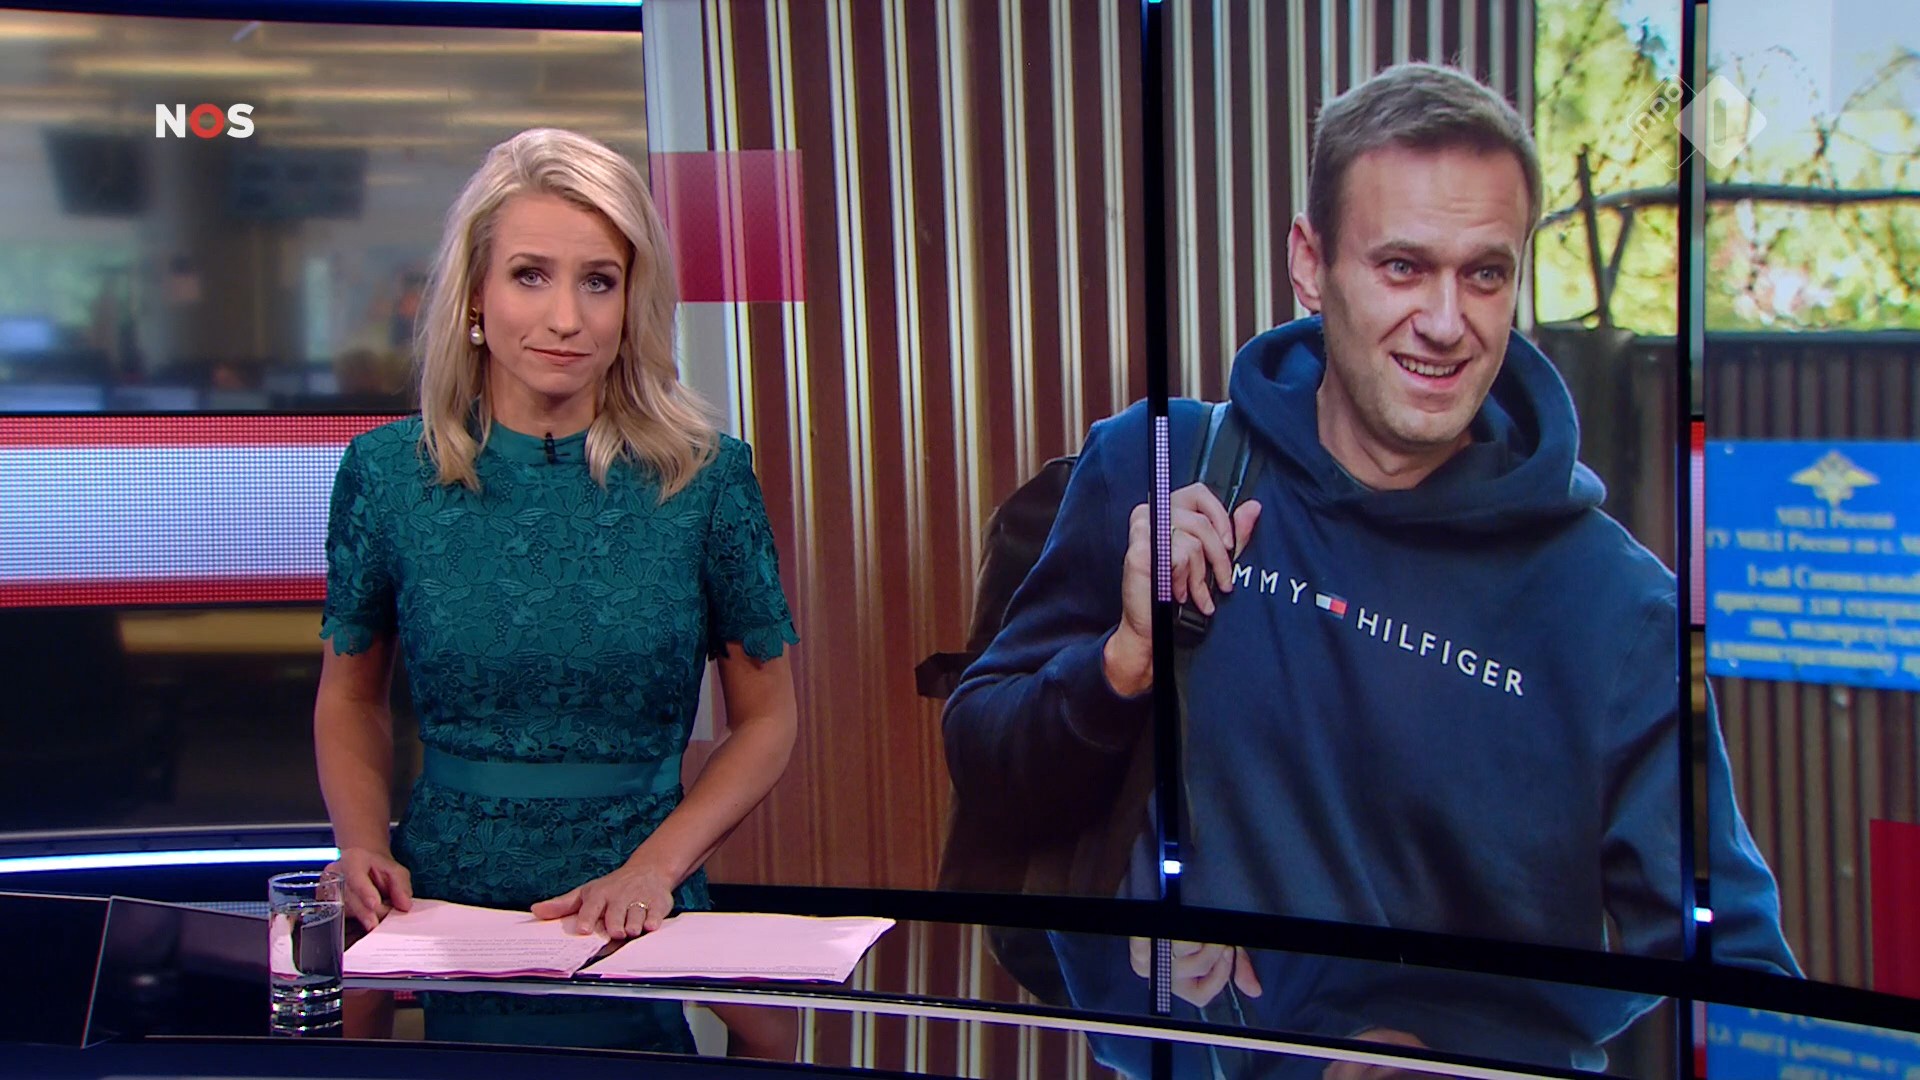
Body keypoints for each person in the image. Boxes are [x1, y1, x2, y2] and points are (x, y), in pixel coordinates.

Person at [942, 64, 1798, 1077]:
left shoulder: (1617, 612)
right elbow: (987, 770)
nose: (1445, 320)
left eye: (1485, 274)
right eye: (1402, 266)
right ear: (1310, 266)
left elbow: (1736, 971)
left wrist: (1461, 1055)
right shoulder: (1160, 469)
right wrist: (1122, 661)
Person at [313, 128, 800, 1057]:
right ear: (475, 296)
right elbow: (349, 697)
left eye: (599, 281)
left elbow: (768, 719)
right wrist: (362, 844)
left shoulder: (706, 479)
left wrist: (655, 870)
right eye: (530, 275)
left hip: (638, 902)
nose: (566, 318)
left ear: (632, 300)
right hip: (438, 903)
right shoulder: (386, 473)